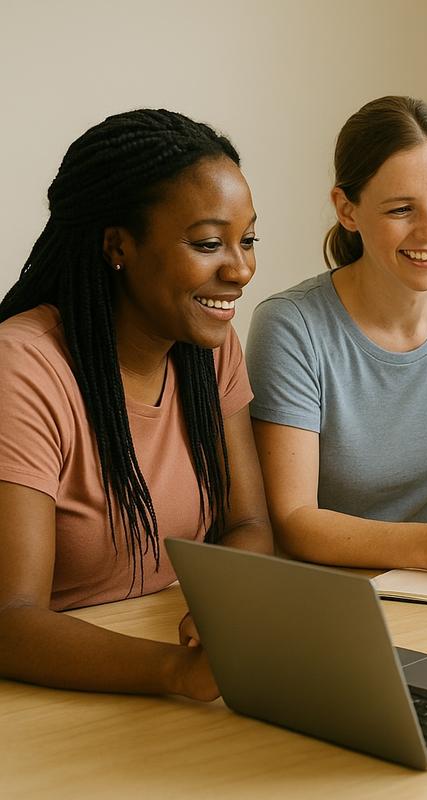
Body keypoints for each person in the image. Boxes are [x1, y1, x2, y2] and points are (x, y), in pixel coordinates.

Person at [0, 109, 273, 700]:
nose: (241, 269)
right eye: (207, 243)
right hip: (47, 697)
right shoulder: (23, 366)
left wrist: (222, 606)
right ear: (118, 246)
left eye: (247, 238)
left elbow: (248, 524)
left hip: (162, 661)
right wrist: (173, 673)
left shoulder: (209, 346)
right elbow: (10, 620)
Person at [247, 96, 427, 577]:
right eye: (402, 209)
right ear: (347, 209)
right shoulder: (291, 326)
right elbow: (294, 520)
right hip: (334, 587)